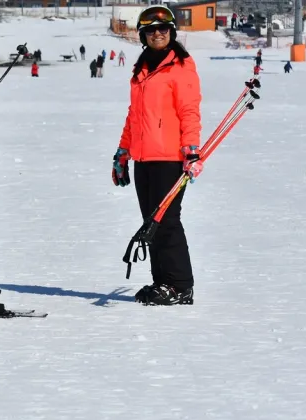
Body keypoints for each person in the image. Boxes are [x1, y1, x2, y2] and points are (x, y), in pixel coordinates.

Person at [113, 5, 202, 306]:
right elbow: (134, 116)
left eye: (163, 29)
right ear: (143, 35)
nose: (158, 33)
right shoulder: (142, 70)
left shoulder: (180, 67)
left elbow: (189, 112)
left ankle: (180, 285)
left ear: (172, 32)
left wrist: (191, 150)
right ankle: (162, 281)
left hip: (170, 157)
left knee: (167, 220)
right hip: (143, 158)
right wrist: (123, 151)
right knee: (150, 221)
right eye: (151, 30)